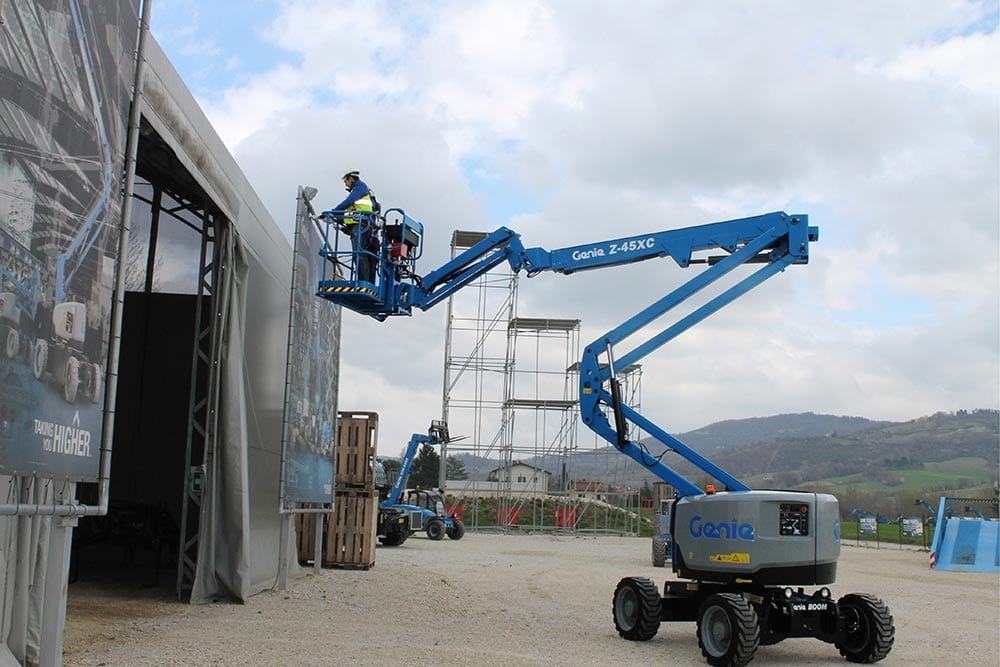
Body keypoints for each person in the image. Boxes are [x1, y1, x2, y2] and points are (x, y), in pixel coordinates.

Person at [321, 170, 379, 284]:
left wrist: (333, 212)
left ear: (351, 178)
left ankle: (363, 283)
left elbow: (348, 202)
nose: (345, 183)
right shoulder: (359, 195)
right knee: (360, 255)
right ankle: (365, 282)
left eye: (345, 180)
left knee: (359, 254)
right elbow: (350, 215)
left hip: (361, 225)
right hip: (361, 226)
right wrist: (335, 218)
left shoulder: (360, 187)